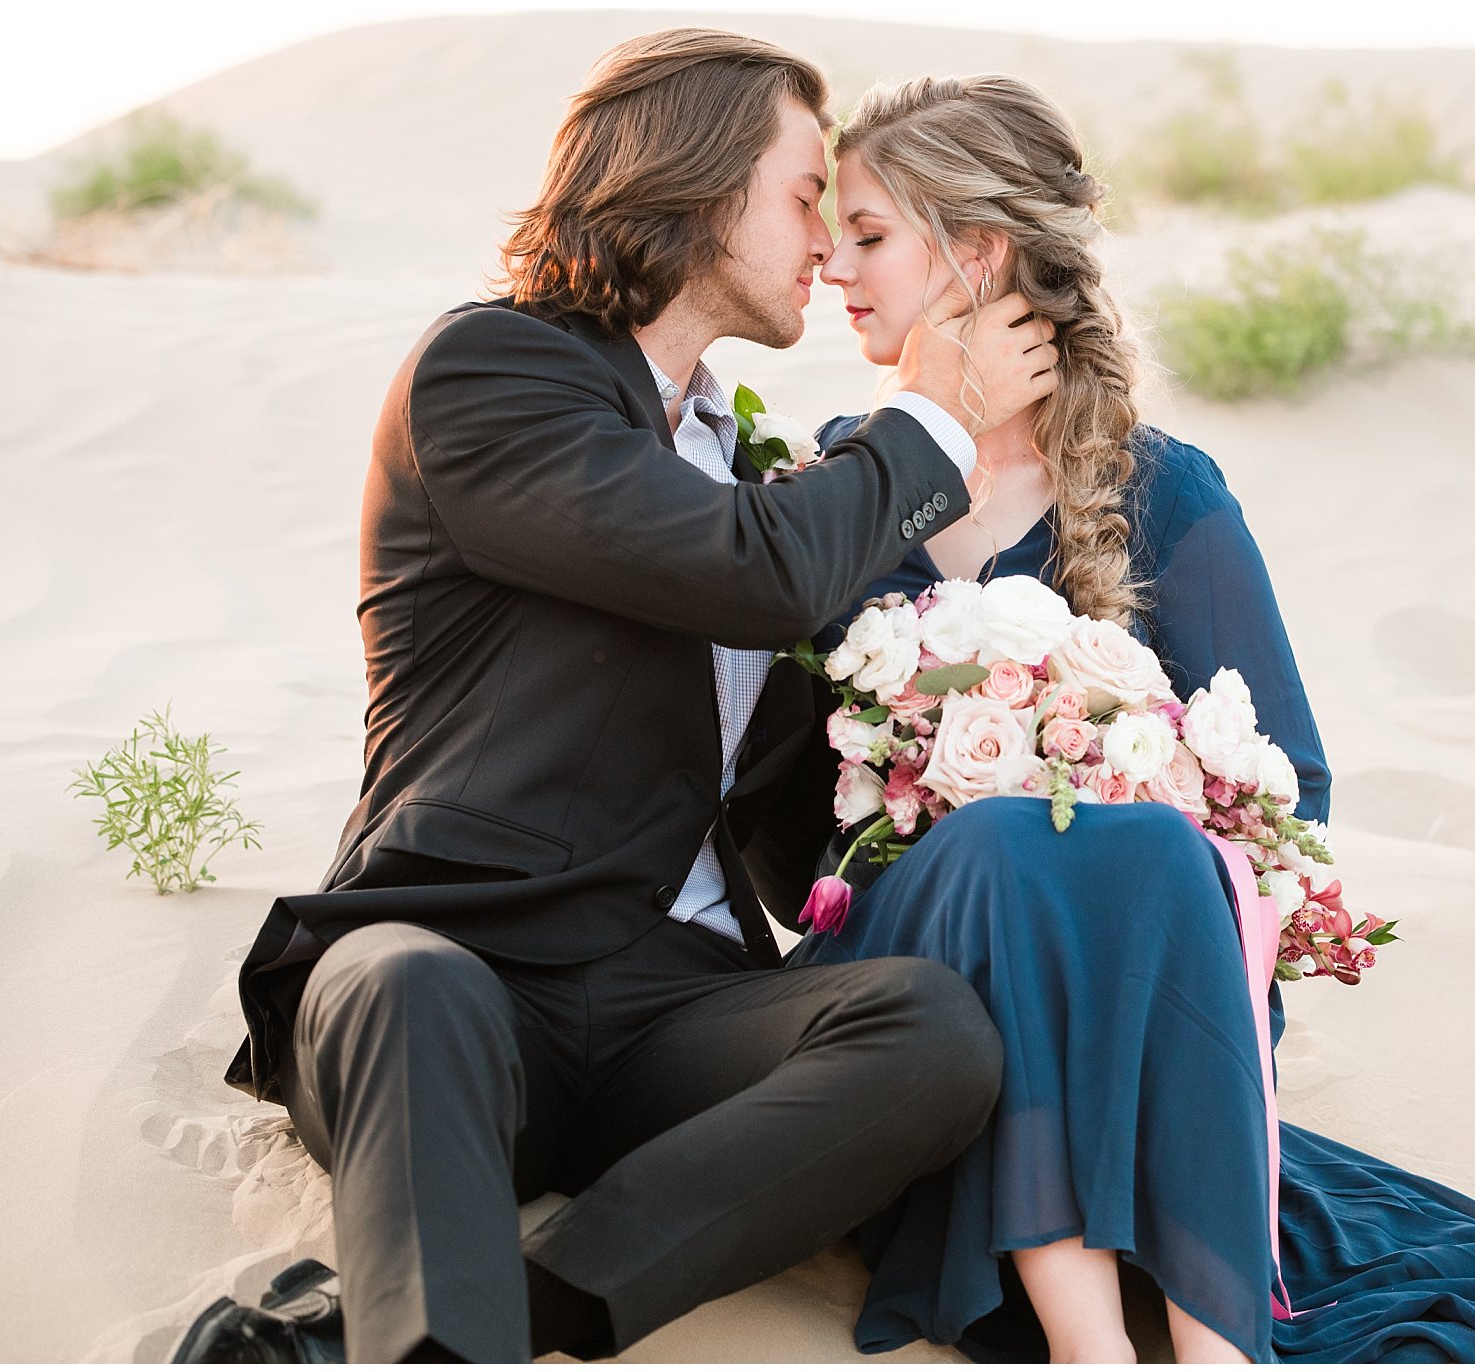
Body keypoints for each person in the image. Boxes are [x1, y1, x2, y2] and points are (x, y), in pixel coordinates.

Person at [769, 73, 1475, 1364]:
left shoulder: (1159, 488)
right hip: (917, 984)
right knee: (1000, 849)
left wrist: (1120, 788)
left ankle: (1217, 1346)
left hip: (1141, 966)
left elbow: (1285, 790)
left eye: (871, 231)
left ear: (976, 248)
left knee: (1150, 847)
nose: (836, 265)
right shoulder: (847, 481)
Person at [173, 30, 1063, 1364]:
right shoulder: (495, 374)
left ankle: (483, 1313)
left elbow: (777, 780)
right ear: (701, 186)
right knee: (403, 986)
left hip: (671, 1008)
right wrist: (931, 422)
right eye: (805, 192)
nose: (824, 245)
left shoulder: (738, 453)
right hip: (462, 971)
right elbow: (745, 573)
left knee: (930, 1033)